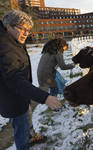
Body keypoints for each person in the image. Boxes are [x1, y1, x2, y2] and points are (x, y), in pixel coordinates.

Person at [0, 10, 62, 150]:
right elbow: (14, 79)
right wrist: (45, 97)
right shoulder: (5, 48)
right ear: (9, 26)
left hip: (21, 94)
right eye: (22, 29)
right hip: (13, 99)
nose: (26, 33)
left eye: (28, 30)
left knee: (27, 117)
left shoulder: (11, 39)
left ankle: (32, 135)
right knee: (21, 131)